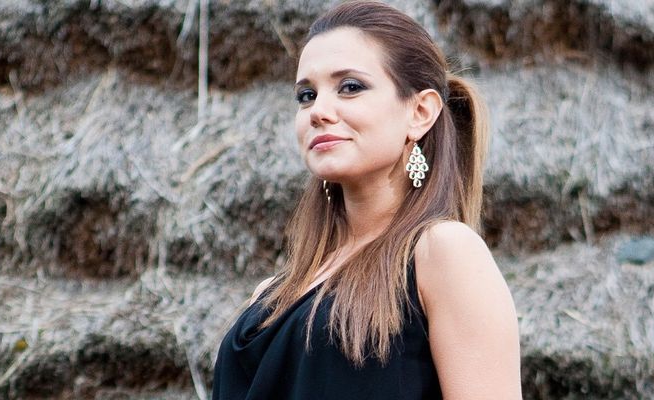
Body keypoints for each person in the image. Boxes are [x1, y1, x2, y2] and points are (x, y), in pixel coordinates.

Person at [212, 1, 521, 399]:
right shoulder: (269, 295)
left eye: (350, 87)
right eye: (306, 95)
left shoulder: (444, 253)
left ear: (420, 112)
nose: (318, 111)